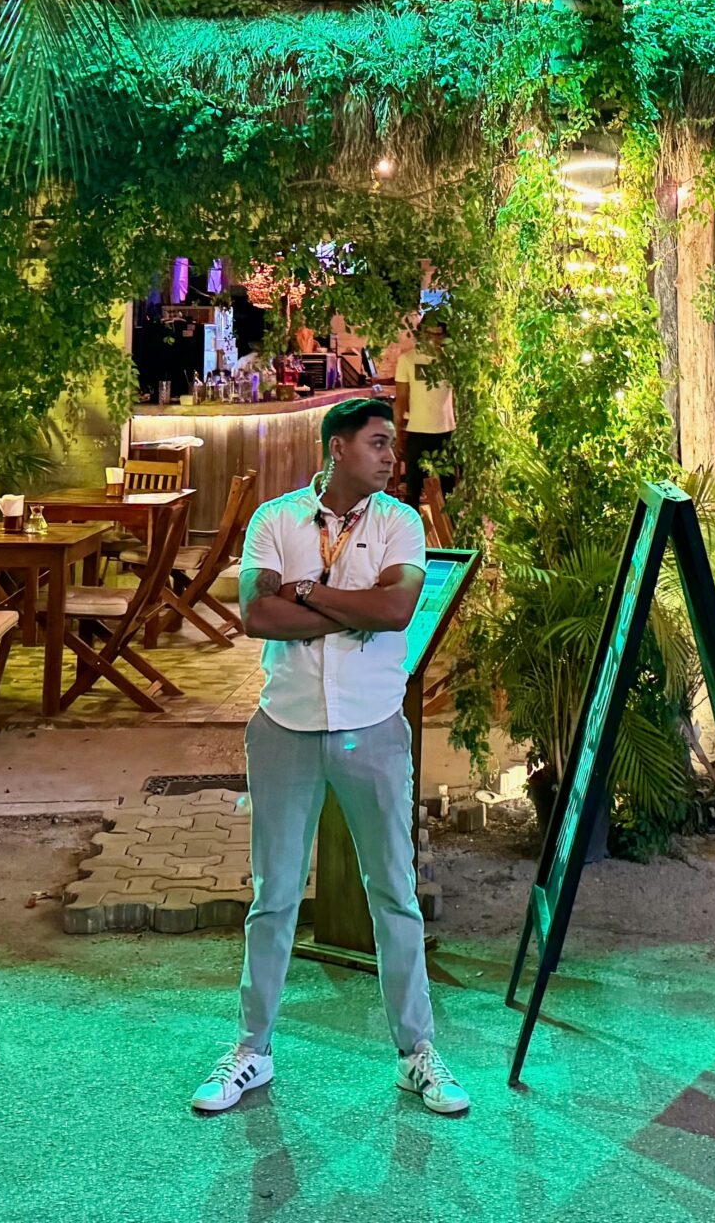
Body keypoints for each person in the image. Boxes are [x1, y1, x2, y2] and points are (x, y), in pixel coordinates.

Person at [190, 397, 470, 1118]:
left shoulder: (399, 523)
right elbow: (258, 614)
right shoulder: (276, 520)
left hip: (373, 726)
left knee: (395, 894)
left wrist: (309, 593)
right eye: (378, 444)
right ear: (338, 448)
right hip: (285, 727)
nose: (391, 457)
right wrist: (350, 603)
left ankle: (417, 1054)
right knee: (274, 895)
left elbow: (396, 612)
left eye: (393, 447)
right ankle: (252, 1050)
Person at [392, 316, 457, 507]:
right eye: (430, 334)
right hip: (418, 432)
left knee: (448, 493)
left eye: (439, 335)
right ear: (421, 334)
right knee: (412, 492)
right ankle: (411, 535)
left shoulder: (451, 360)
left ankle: (448, 534)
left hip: (446, 432)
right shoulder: (407, 359)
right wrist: (396, 433)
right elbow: (401, 400)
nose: (434, 340)